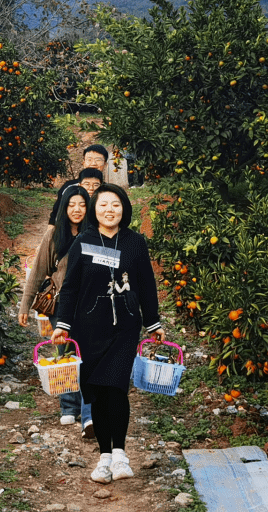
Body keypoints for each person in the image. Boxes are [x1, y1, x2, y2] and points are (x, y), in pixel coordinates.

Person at [51, 184, 162, 484]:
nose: (109, 210)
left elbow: (147, 285)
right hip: (89, 328)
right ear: (94, 210)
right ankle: (104, 458)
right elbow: (70, 288)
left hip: (125, 327)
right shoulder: (84, 242)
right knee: (97, 392)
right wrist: (63, 324)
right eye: (103, 205)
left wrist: (153, 323)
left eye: (115, 204)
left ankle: (121, 452)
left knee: (116, 388)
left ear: (124, 208)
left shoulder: (135, 243)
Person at [20, 185, 94, 430]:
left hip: (89, 304)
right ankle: (68, 406)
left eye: (82, 205)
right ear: (64, 207)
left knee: (86, 354)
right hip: (61, 304)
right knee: (63, 354)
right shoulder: (53, 235)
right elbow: (38, 270)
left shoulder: (95, 233)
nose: (77, 209)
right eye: (72, 205)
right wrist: (24, 305)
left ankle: (88, 408)